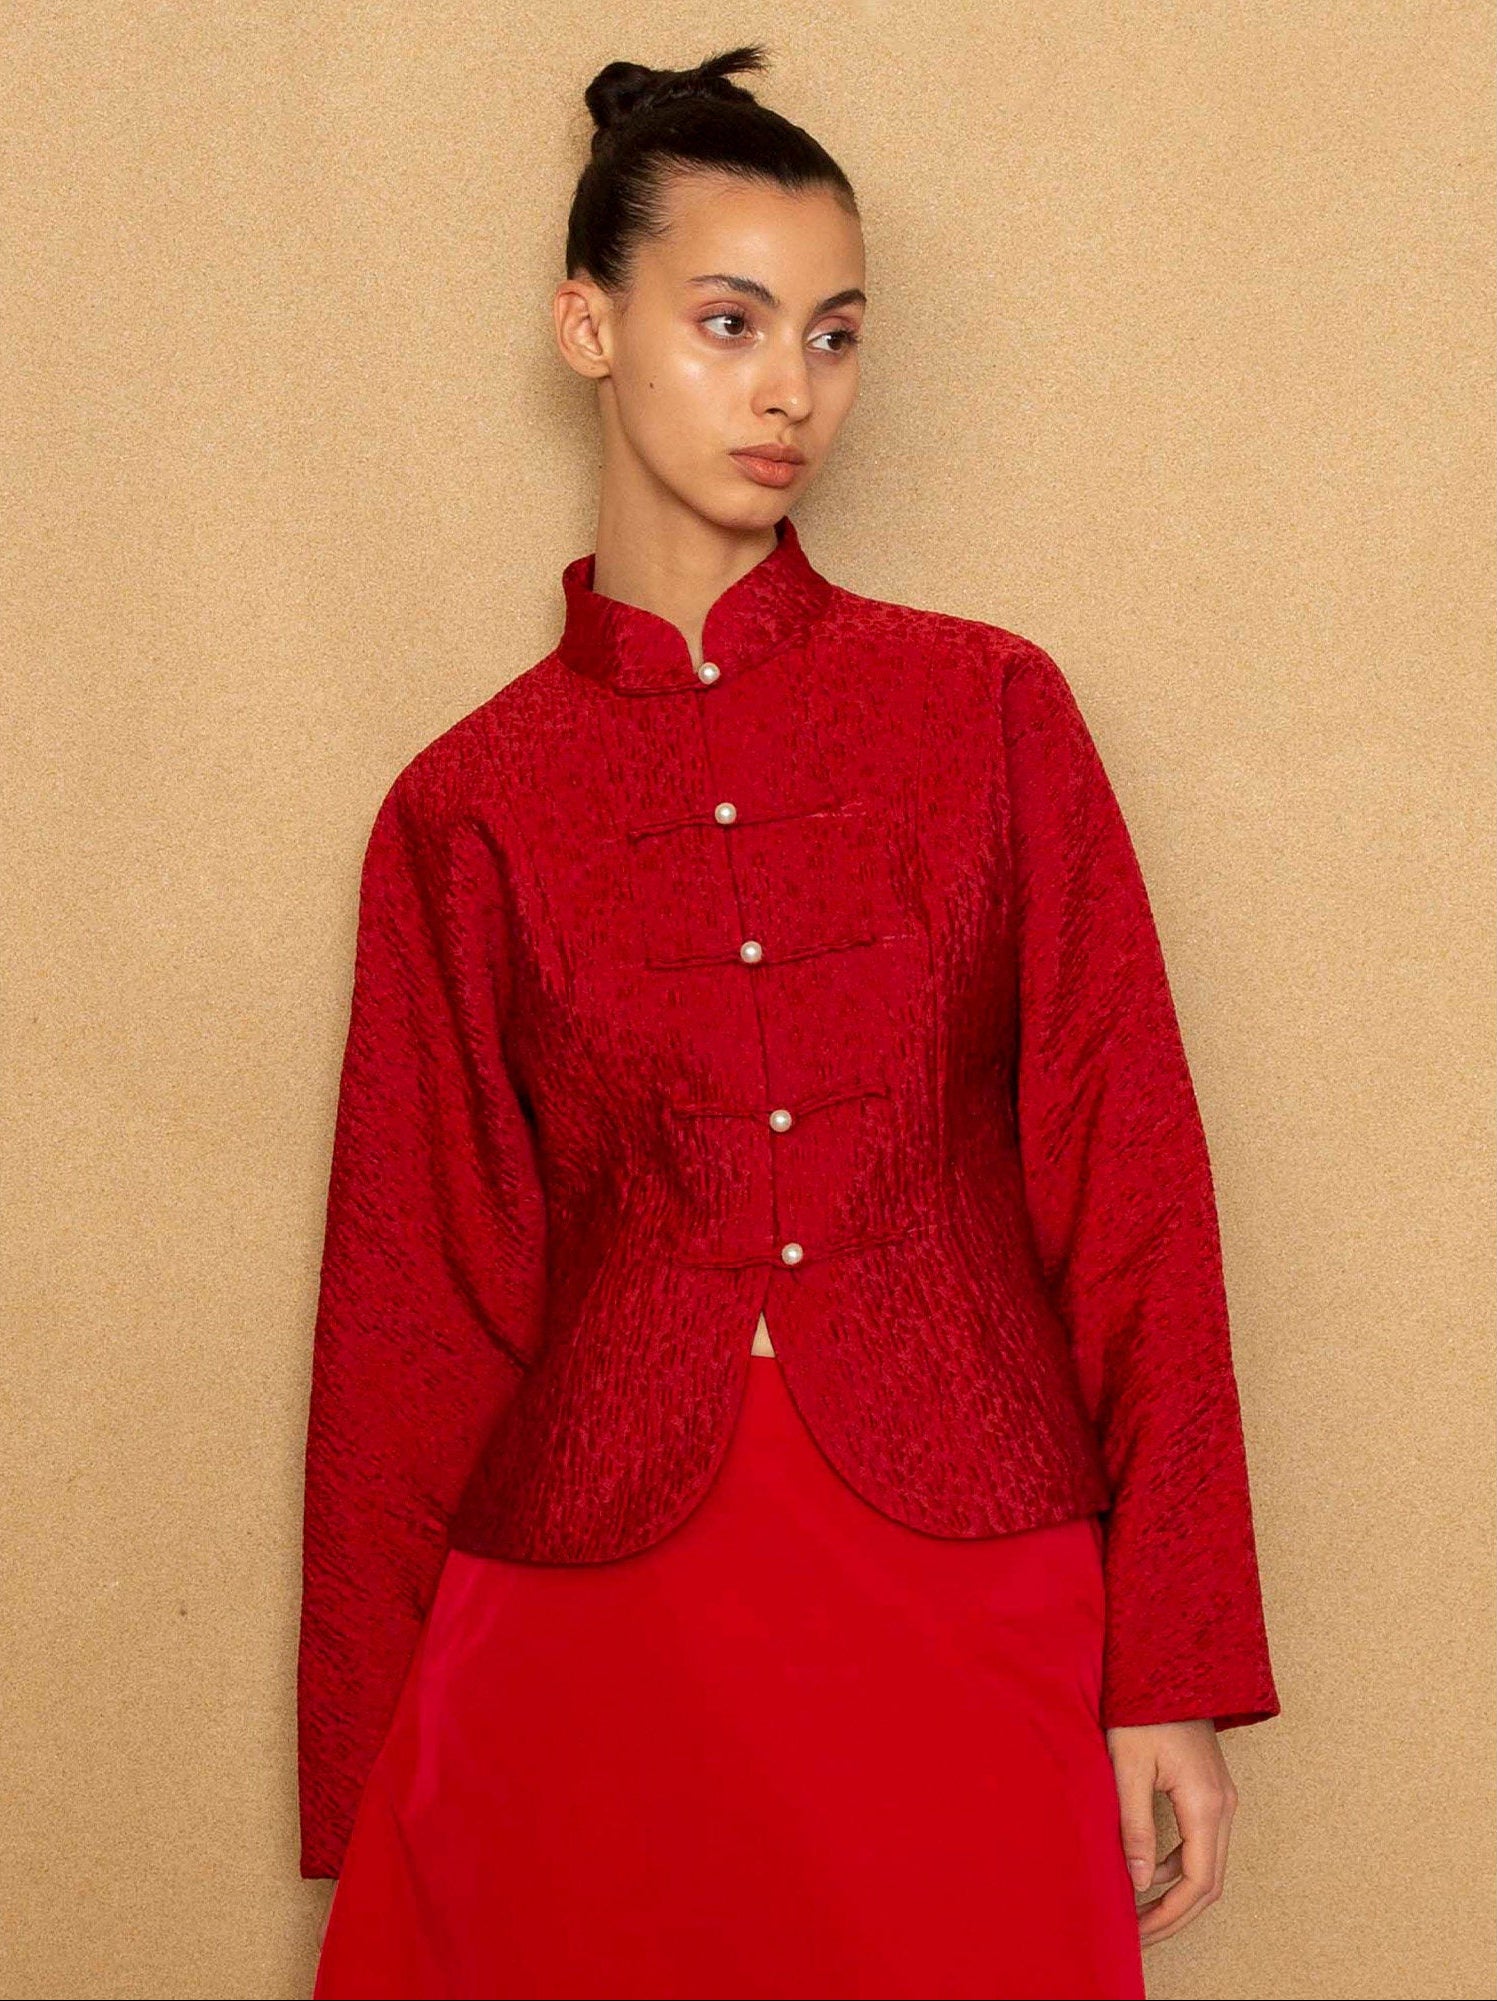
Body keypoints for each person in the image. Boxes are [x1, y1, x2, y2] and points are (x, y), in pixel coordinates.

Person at [297, 43, 1280, 2001]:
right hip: (585, 1612)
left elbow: (1131, 1188)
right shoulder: (462, 806)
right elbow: (412, 1306)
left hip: (968, 1570)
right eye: (727, 321)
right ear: (587, 323)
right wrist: (364, 1782)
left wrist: (1168, 1665)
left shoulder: (990, 715)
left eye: (831, 334)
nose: (786, 389)